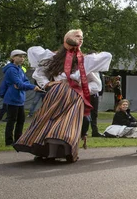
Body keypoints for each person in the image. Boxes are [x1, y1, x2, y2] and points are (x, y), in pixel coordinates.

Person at [14, 30, 112, 162]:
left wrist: (81, 89)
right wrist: (48, 84)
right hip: (56, 94)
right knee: (50, 123)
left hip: (74, 98)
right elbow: (38, 74)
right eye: (77, 36)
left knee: (66, 126)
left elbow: (97, 84)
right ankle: (49, 154)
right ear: (67, 38)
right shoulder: (53, 58)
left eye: (82, 37)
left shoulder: (85, 61)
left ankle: (66, 153)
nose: (80, 38)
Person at [0, 50, 44, 146]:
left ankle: (18, 140)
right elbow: (19, 83)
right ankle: (9, 141)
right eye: (19, 56)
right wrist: (32, 87)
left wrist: (24, 85)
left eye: (23, 57)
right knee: (11, 120)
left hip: (20, 99)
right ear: (13, 58)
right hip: (12, 98)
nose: (22, 58)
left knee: (21, 120)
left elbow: (25, 81)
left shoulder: (19, 69)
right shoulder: (11, 70)